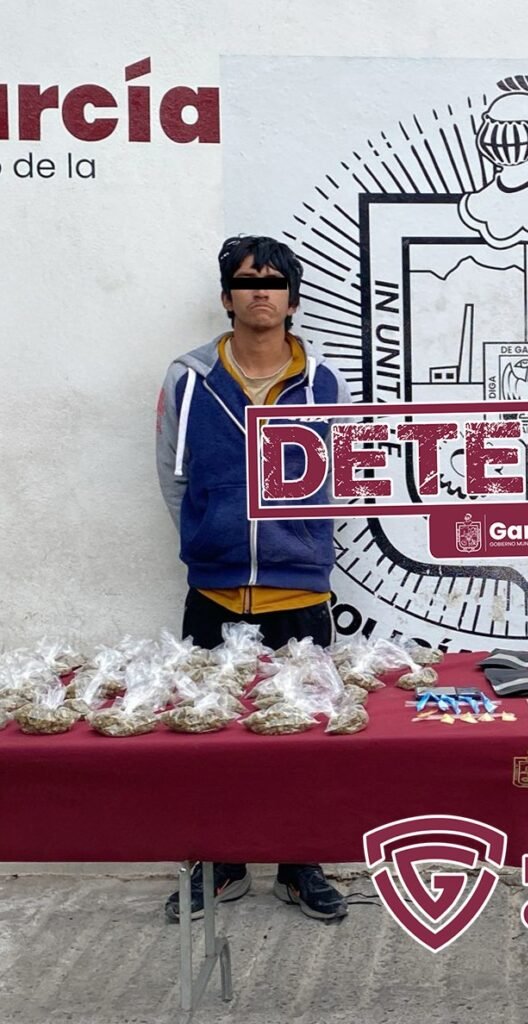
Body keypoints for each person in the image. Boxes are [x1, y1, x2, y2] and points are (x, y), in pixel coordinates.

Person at [156, 234, 351, 923]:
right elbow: (174, 478)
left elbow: (343, 477)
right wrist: (211, 538)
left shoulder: (324, 382)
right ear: (226, 296)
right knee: (209, 736)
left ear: (292, 299)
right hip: (214, 592)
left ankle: (300, 867)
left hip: (299, 594)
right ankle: (221, 864)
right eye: (246, 281)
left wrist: (301, 542)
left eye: (273, 282)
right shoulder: (189, 379)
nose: (259, 292)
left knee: (302, 737)